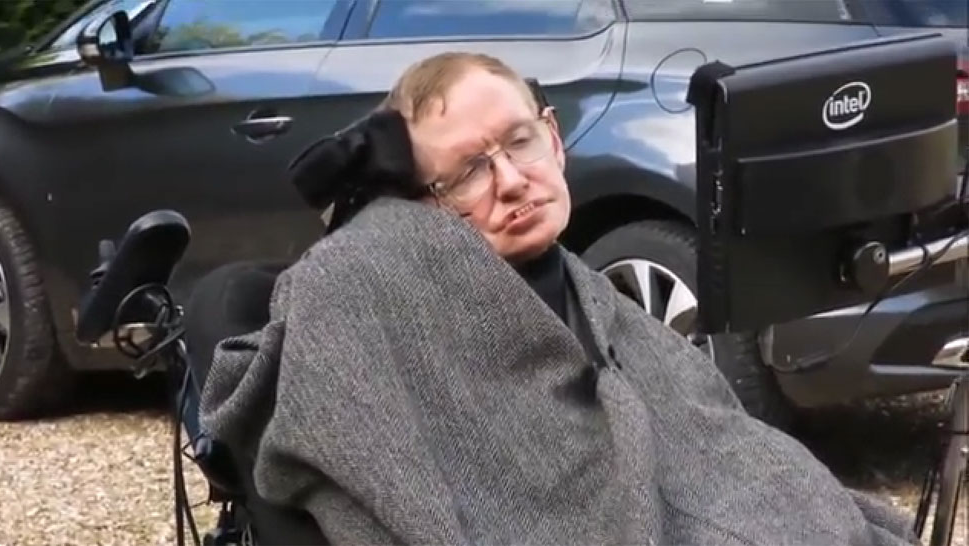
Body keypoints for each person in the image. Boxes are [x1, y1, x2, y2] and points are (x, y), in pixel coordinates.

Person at [200, 52, 918, 545]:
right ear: (424, 201)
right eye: (469, 172)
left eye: (520, 142)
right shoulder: (378, 283)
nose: (512, 180)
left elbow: (715, 444)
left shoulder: (594, 296)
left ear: (554, 136)